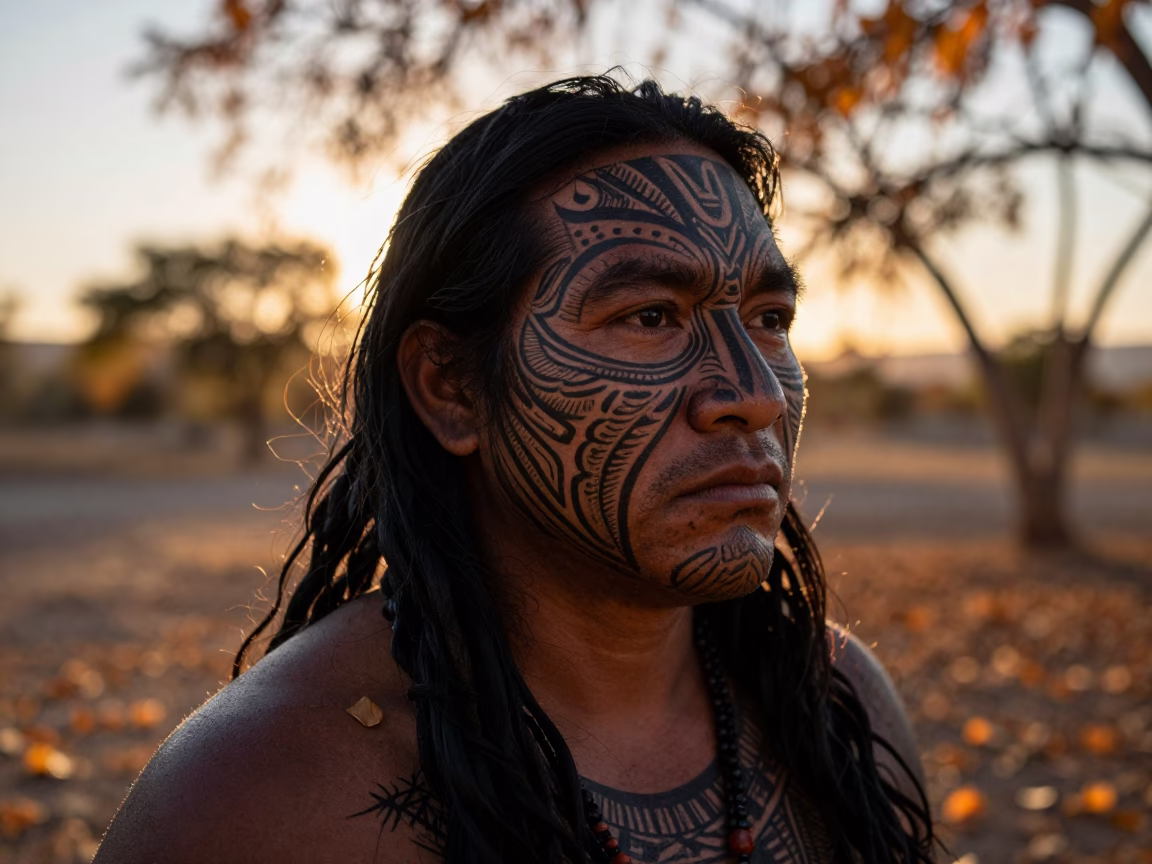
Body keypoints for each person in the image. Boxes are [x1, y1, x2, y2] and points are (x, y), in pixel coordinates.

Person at [94, 75, 936, 864]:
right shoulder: (262, 795)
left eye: (770, 318)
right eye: (650, 316)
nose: (754, 393)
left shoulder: (838, 707)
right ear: (452, 389)